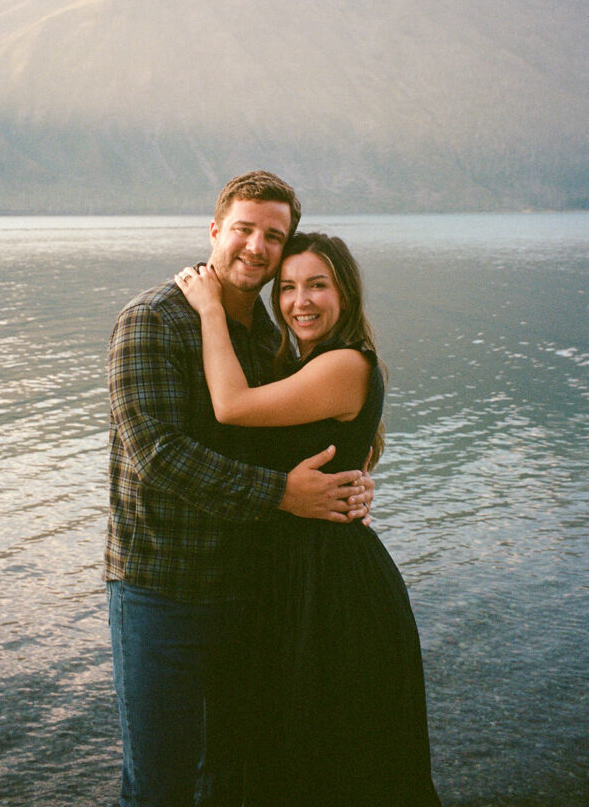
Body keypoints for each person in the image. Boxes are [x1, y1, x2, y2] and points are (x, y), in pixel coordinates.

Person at [105, 172, 375, 807]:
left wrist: (347, 483)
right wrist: (284, 494)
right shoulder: (151, 322)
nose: (256, 247)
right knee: (160, 785)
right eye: (244, 230)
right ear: (214, 232)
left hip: (256, 590)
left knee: (237, 778)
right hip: (164, 591)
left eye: (273, 236)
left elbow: (309, 430)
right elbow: (158, 456)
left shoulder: (275, 336)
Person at [175, 231, 441, 807]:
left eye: (317, 285)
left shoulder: (345, 363)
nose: (300, 301)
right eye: (288, 288)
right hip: (297, 578)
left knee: (338, 759)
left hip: (334, 588)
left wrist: (210, 308)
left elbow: (233, 406)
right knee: (298, 753)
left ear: (344, 292)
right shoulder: (308, 365)